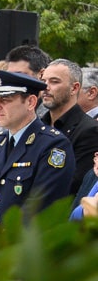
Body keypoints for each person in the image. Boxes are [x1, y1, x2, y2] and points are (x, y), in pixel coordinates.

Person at [0, 71, 75, 241]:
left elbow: (41, 204)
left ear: (31, 102)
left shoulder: (53, 145)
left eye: (5, 100)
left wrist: (1, 242)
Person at [40, 60, 98, 195]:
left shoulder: (90, 130)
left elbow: (74, 185)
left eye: (54, 82)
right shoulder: (38, 125)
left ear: (74, 88)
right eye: (43, 81)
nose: (46, 87)